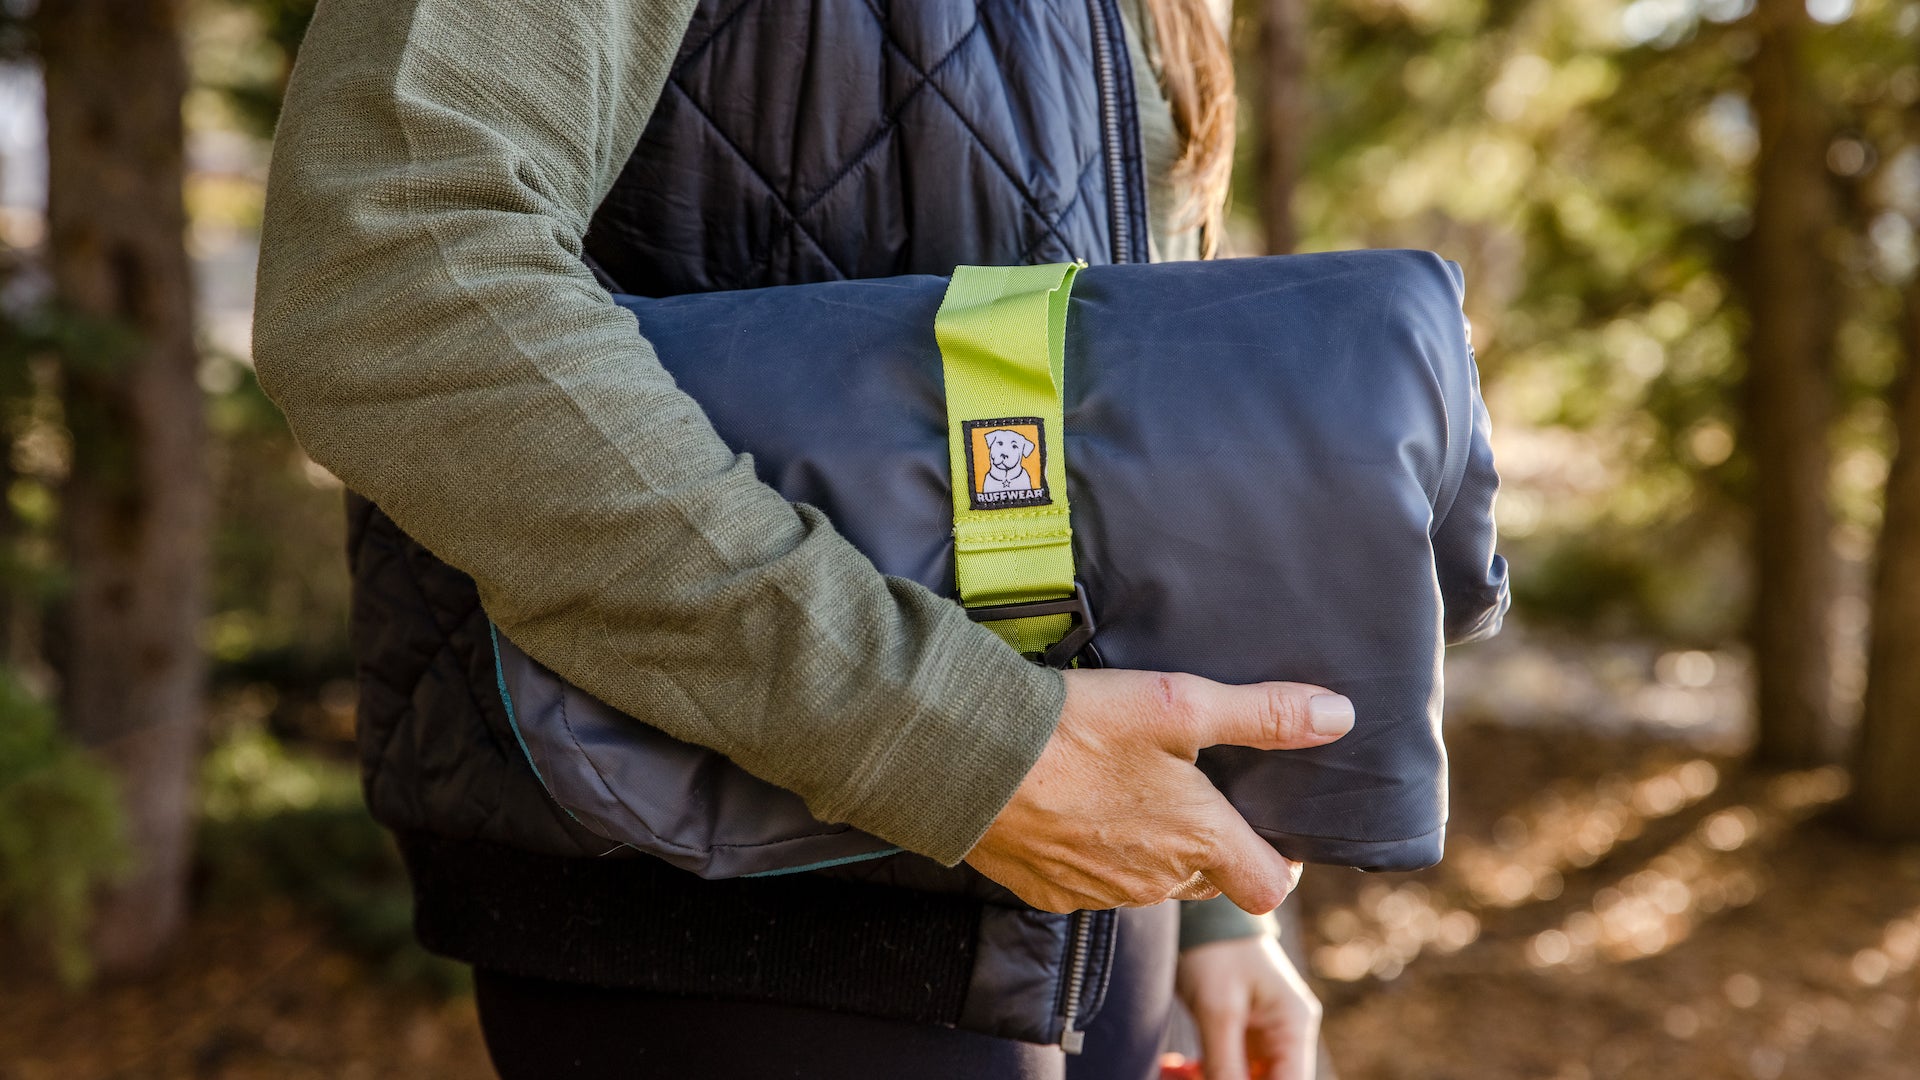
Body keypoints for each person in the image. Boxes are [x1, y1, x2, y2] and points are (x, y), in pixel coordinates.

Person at [253, 1, 1344, 1077]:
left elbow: (1127, 371)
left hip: (1093, 916)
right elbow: (389, 265)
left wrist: (1214, 916)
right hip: (719, 902)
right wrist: (955, 742)